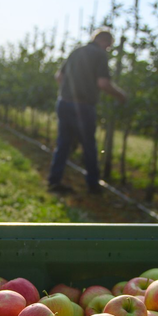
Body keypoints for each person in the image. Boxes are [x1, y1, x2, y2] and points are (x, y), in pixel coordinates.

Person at [48, 28, 126, 195]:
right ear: (105, 41)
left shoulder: (77, 51)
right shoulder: (99, 55)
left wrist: (67, 91)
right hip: (83, 107)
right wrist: (121, 96)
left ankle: (54, 181)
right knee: (89, 146)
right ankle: (93, 185)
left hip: (64, 103)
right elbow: (103, 84)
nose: (108, 50)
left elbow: (58, 76)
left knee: (63, 144)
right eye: (109, 46)